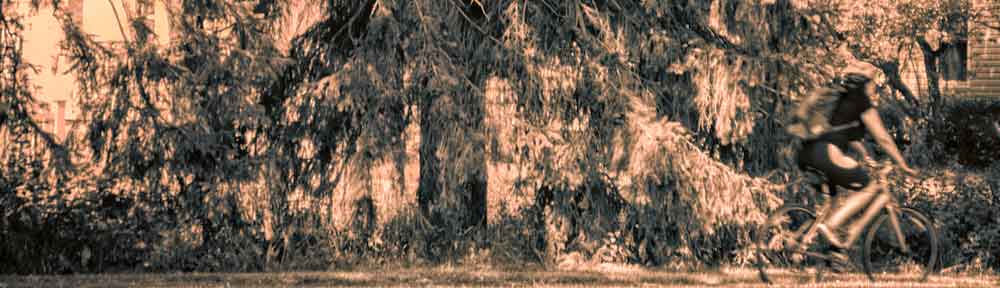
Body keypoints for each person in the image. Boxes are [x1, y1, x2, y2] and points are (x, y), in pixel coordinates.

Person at [794, 65, 918, 252]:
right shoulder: (862, 102)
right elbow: (883, 138)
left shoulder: (839, 100)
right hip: (828, 153)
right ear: (866, 84)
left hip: (808, 153)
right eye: (873, 83)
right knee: (871, 188)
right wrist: (903, 164)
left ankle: (806, 246)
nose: (875, 88)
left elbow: (848, 137)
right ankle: (831, 228)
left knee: (832, 203)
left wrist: (867, 157)